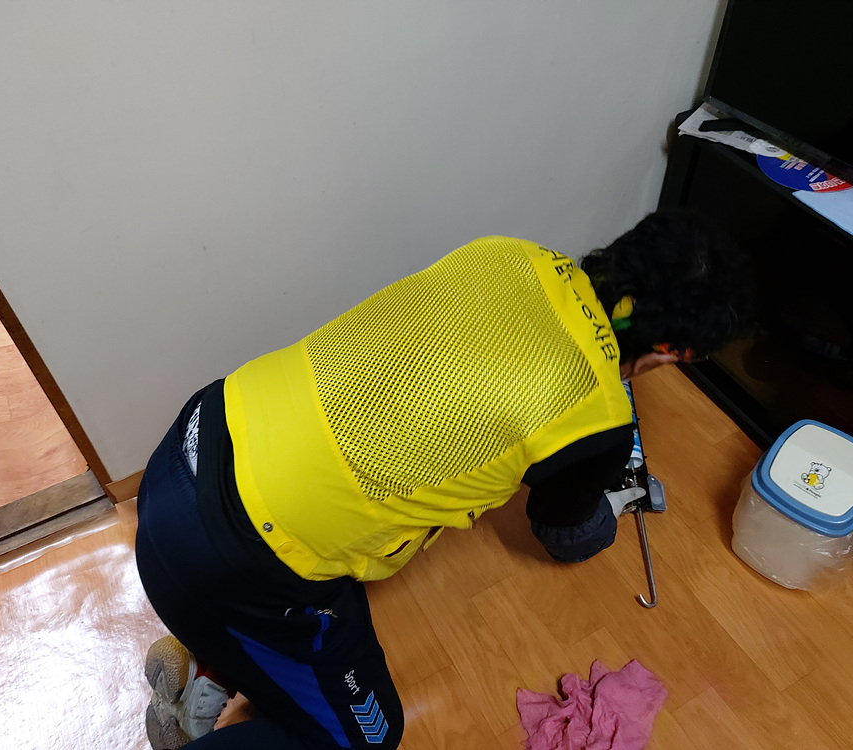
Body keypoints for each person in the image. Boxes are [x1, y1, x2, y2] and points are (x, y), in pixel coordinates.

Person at [134, 210, 751, 749]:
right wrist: (606, 502)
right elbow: (564, 533)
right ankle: (216, 649)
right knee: (369, 735)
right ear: (672, 351)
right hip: (229, 555)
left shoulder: (510, 253)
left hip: (195, 438)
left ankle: (209, 662)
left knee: (321, 569)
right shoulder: (598, 419)